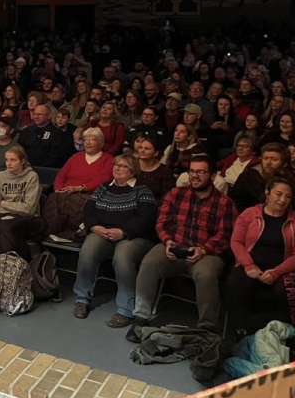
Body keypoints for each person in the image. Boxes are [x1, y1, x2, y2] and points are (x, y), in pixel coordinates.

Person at [126, 155, 236, 338]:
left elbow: (225, 236)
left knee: (206, 274)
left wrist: (204, 249)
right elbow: (162, 222)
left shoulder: (225, 203)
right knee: (149, 263)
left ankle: (206, 328)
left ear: (213, 175)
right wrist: (168, 241)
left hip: (207, 252)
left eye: (201, 171)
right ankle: (141, 318)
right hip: (174, 246)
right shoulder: (176, 194)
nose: (195, 175)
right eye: (192, 171)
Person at [73, 153, 158, 327]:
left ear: (133, 170)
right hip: (103, 233)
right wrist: (94, 227)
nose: (117, 168)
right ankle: (82, 299)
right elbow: (89, 211)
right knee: (88, 249)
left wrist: (123, 232)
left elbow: (146, 219)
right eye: (116, 165)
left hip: (134, 237)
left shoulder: (142, 190)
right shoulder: (104, 188)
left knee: (123, 255)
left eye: (123, 166)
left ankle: (125, 310)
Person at [225, 178, 295, 337]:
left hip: (283, 269)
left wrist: (276, 272)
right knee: (236, 283)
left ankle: (293, 334)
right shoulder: (249, 214)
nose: (283, 200)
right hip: (250, 264)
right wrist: (248, 266)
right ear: (267, 193)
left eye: (288, 196)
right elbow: (236, 241)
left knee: (289, 291)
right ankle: (240, 329)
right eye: (278, 194)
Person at [0, 146, 44, 293]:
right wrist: (8, 208)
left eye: (13, 160)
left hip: (30, 220)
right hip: (3, 215)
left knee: (5, 229)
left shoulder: (31, 177)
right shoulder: (0, 176)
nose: (8, 163)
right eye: (7, 160)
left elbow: (29, 209)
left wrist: (5, 203)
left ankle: (2, 281)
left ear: (23, 161)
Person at [231, 143, 295, 223]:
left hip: (285, 225)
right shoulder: (248, 177)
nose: (268, 162)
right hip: (250, 222)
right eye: (265, 158)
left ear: (285, 164)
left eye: (274, 160)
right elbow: (235, 204)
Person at [54, 128, 114, 194]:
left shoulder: (108, 159)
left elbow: (104, 179)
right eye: (85, 140)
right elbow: (61, 176)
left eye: (92, 140)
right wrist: (59, 190)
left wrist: (80, 188)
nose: (88, 143)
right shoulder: (75, 157)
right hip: (66, 195)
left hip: (90, 197)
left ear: (101, 143)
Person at [19, 104, 70, 168]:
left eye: (40, 114)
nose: (36, 117)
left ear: (49, 116)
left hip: (45, 170)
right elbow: (19, 151)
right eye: (35, 114)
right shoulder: (26, 131)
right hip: (24, 168)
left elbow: (55, 156)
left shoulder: (57, 133)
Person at [134, 136, 176, 202]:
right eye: (140, 148)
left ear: (156, 153)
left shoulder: (164, 171)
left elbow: (168, 196)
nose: (142, 151)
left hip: (155, 206)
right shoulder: (132, 166)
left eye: (147, 148)